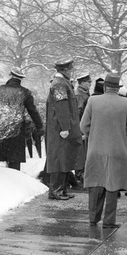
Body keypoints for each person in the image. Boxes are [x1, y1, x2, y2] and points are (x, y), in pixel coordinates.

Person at [80, 71, 127, 229]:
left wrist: (93, 137)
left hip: (96, 149)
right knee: (113, 185)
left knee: (95, 183)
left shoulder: (93, 100)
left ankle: (93, 218)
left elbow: (84, 126)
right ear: (118, 88)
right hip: (118, 150)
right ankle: (109, 221)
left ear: (105, 86)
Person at [0, 67, 45, 171]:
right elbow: (32, 111)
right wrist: (39, 126)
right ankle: (15, 183)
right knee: (14, 160)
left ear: (10, 75)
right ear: (21, 79)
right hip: (17, 129)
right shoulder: (25, 92)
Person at [45, 58, 81, 201]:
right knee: (59, 158)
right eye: (70, 69)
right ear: (65, 70)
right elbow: (61, 107)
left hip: (62, 128)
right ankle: (56, 190)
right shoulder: (60, 84)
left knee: (65, 157)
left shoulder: (62, 83)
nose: (71, 72)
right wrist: (65, 127)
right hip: (60, 129)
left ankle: (62, 189)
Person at [74, 73, 92, 188]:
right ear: (82, 83)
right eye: (88, 82)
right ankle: (80, 176)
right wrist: (81, 131)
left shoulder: (83, 94)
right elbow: (79, 113)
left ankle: (81, 176)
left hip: (83, 128)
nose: (90, 84)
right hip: (81, 129)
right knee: (81, 154)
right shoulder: (80, 95)